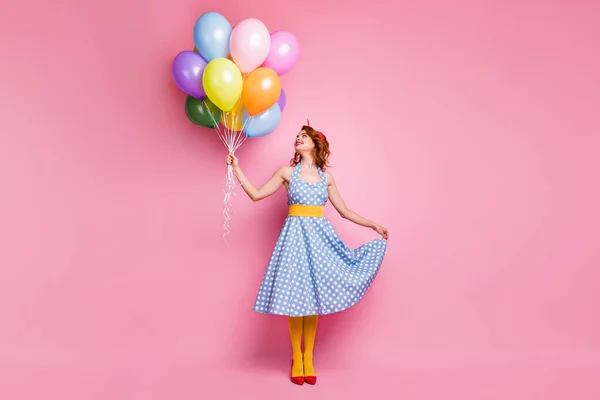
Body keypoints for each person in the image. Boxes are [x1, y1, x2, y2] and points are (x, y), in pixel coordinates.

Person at [226, 123, 389, 385]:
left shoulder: (327, 178)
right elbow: (256, 195)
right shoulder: (286, 172)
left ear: (316, 143)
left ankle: (308, 358)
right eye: (297, 136)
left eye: (304, 136)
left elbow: (345, 211)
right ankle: (297, 358)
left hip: (319, 240)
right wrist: (236, 168)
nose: (298, 139)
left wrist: (374, 224)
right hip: (293, 241)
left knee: (312, 299)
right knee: (295, 298)